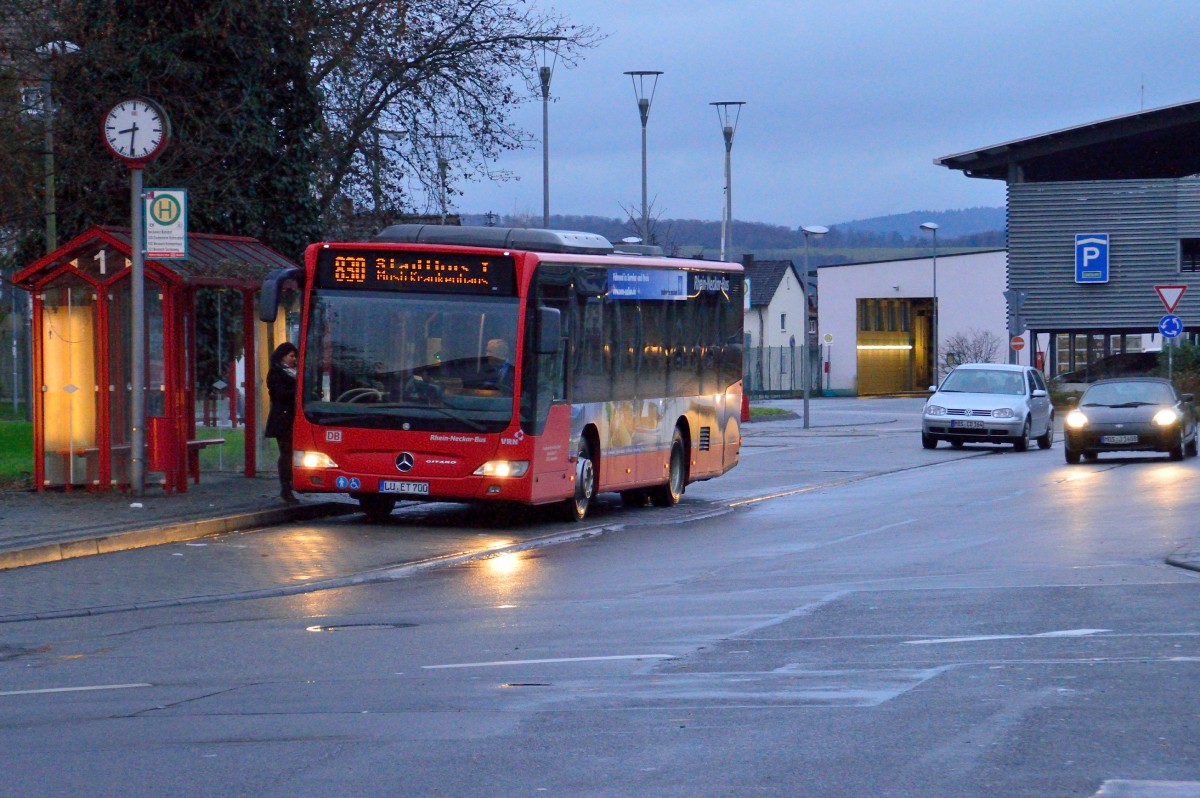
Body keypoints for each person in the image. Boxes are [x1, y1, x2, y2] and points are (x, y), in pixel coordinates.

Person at [265, 342, 299, 504]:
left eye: (295, 356)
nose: (294, 359)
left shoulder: (295, 373)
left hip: (294, 418)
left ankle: (291, 485)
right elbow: (279, 394)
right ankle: (286, 488)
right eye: (291, 356)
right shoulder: (276, 373)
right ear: (282, 356)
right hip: (282, 419)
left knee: (292, 453)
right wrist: (299, 390)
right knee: (286, 453)